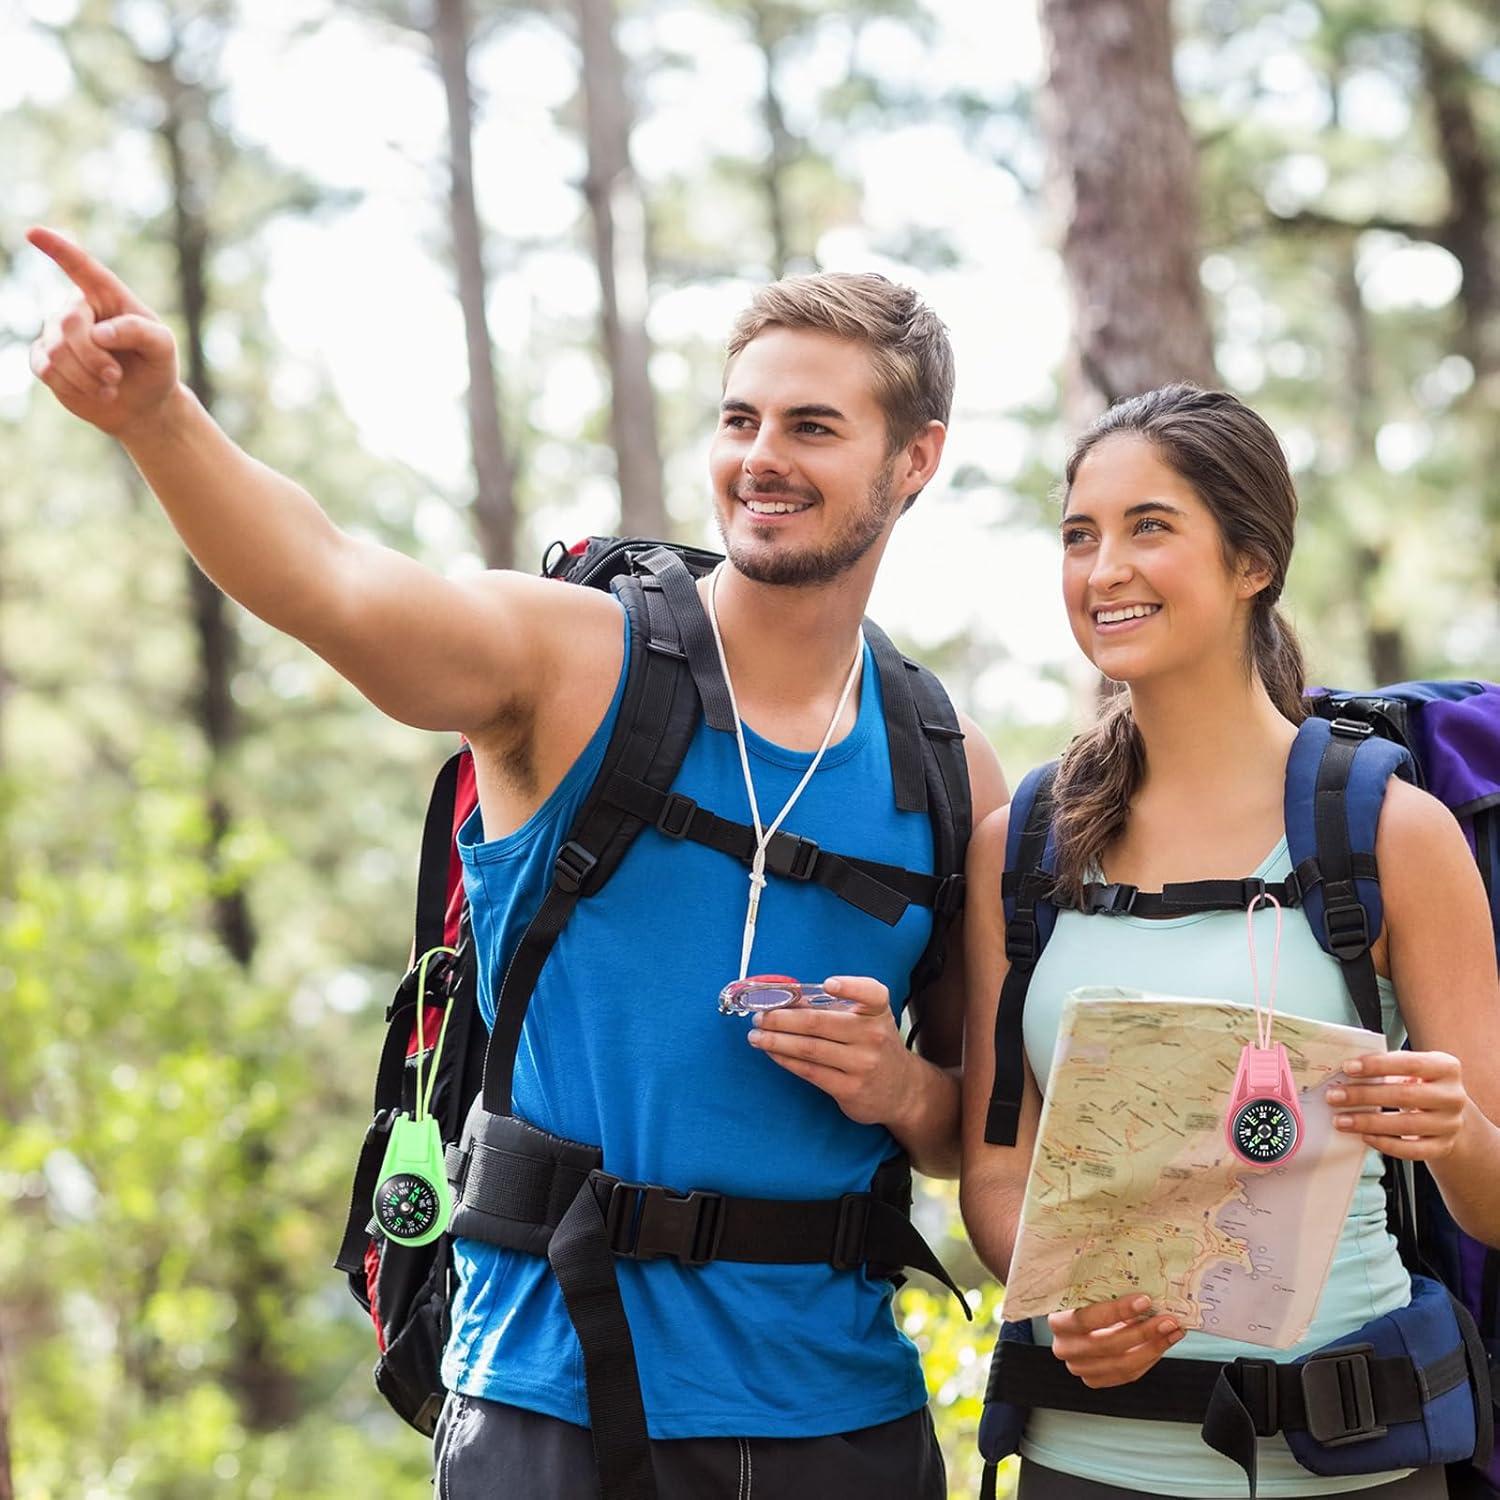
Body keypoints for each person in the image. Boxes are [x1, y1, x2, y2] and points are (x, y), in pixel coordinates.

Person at [27, 226, 1007, 1500]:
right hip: (554, 1396)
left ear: (914, 458)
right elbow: (329, 580)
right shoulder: (574, 660)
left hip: (843, 1417)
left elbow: (971, 1131)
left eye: (813, 427)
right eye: (739, 419)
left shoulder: (950, 766)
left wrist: (897, 1087)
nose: (761, 459)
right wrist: (161, 422)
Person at [959, 384, 1500, 1499]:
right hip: (1085, 1460)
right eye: (1079, 535)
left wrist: (1450, 1131)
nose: (1103, 567)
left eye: (1148, 527)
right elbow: (998, 1171)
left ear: (1254, 561)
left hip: (1353, 1465)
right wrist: (1058, 1301)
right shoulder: (1021, 847)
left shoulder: (1393, 833)